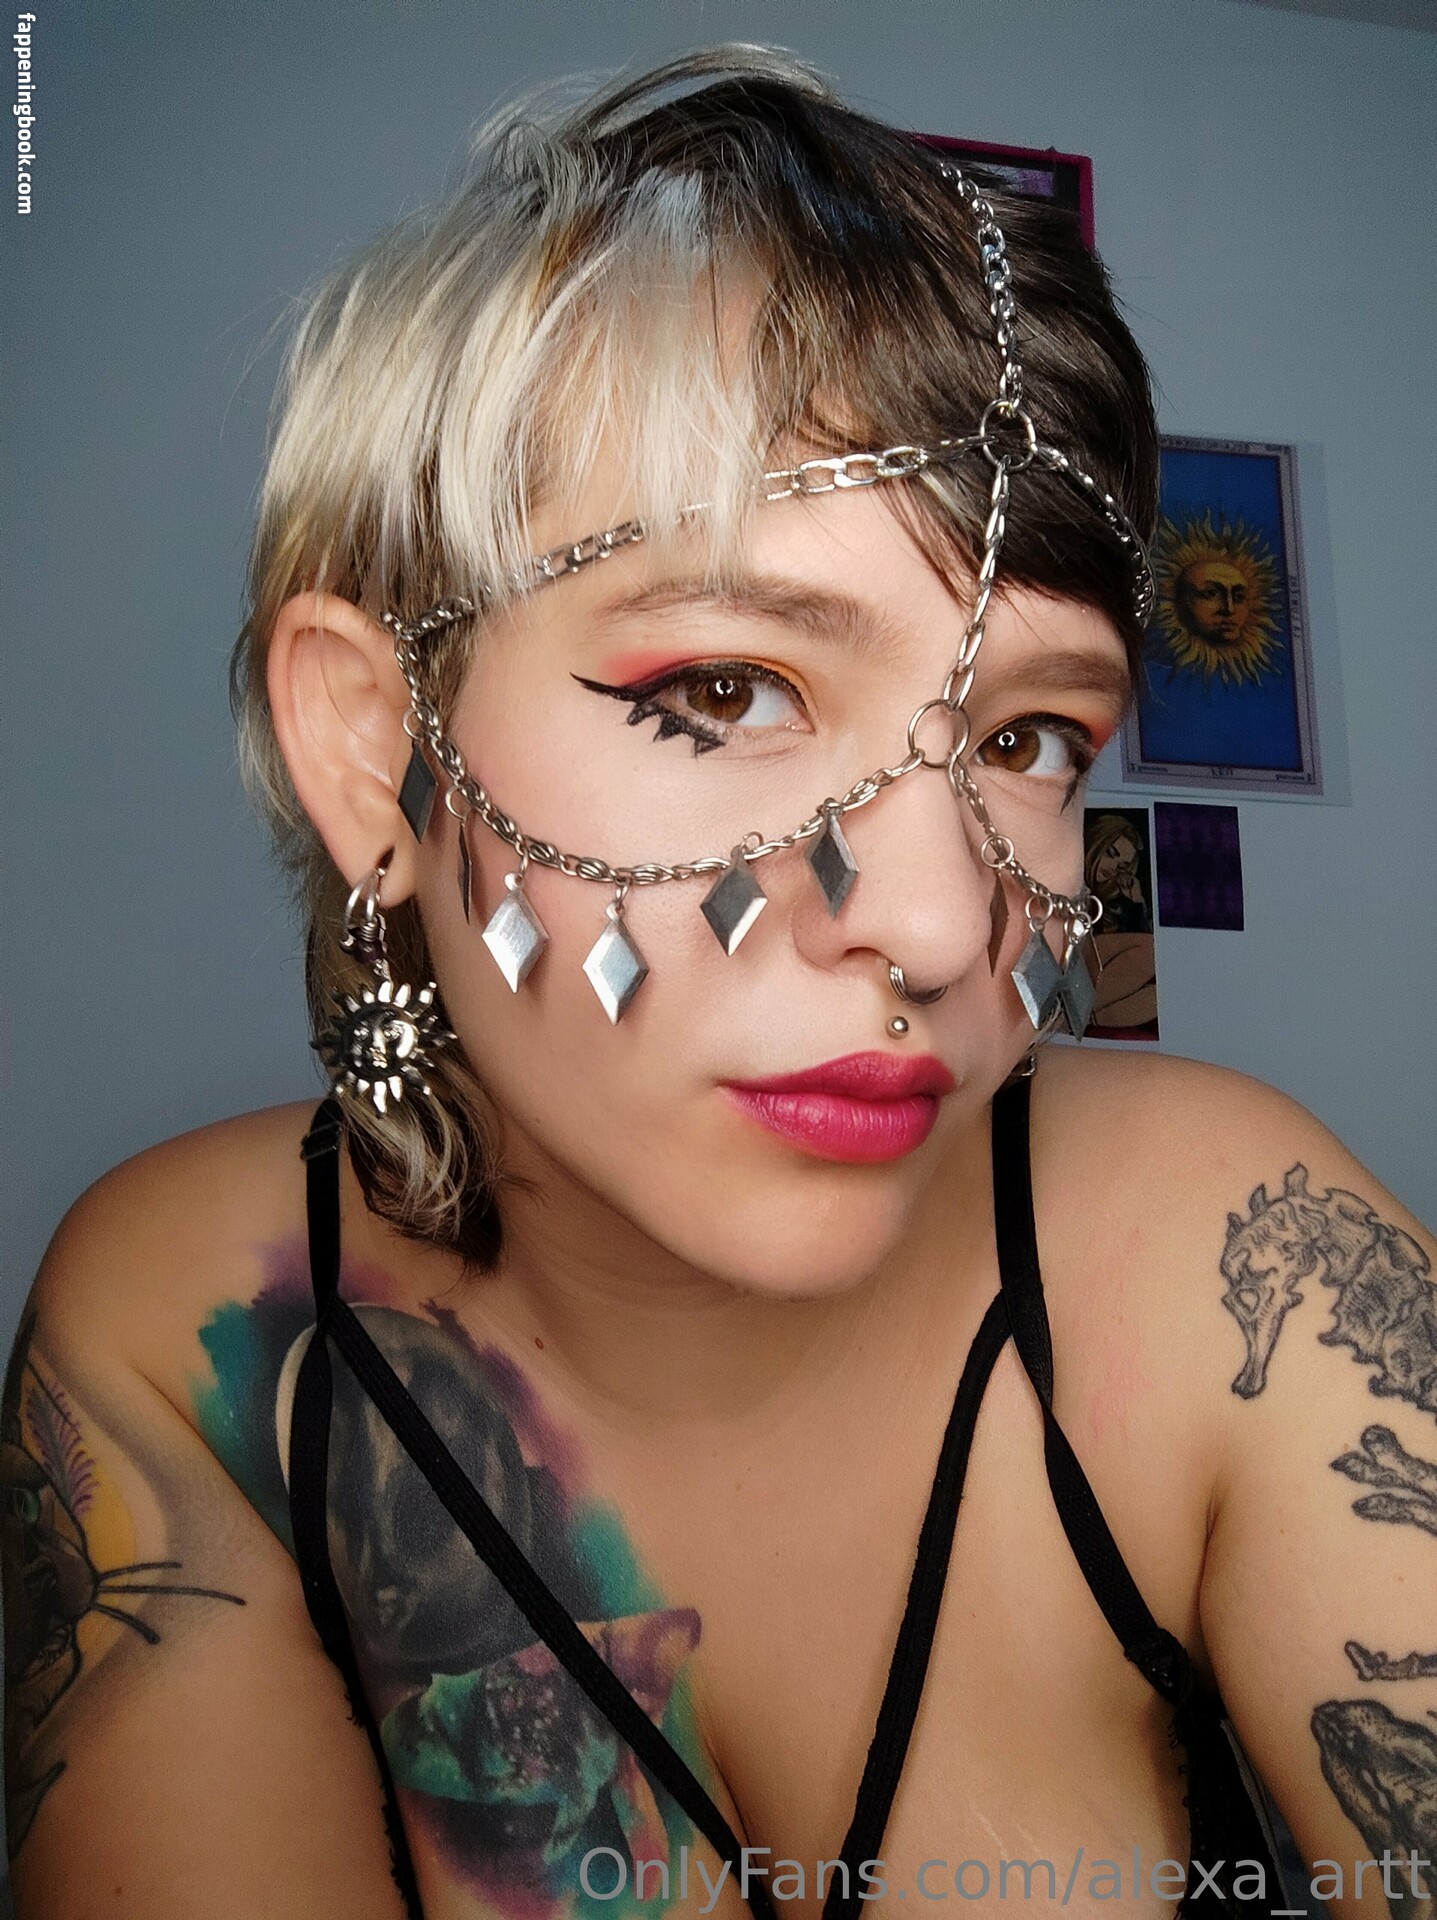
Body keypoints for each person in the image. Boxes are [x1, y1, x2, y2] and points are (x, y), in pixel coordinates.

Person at [5, 46, 1434, 1920]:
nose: (939, 925)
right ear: (374, 748)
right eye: (728, 688)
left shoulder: (1234, 1262)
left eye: (1025, 739)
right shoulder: (208, 1335)